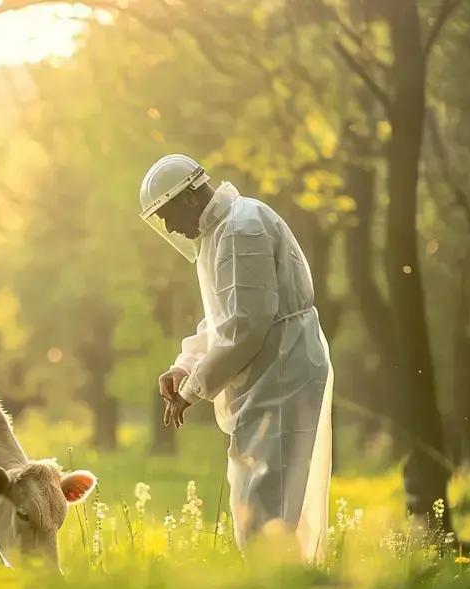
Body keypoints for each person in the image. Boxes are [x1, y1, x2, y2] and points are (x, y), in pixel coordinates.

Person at [139, 154, 334, 562]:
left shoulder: (241, 229)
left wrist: (191, 390)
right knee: (260, 502)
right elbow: (223, 318)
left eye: (168, 214)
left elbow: (246, 324)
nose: (170, 227)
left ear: (190, 199)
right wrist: (186, 364)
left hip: (284, 372)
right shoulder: (222, 232)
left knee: (268, 508)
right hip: (270, 373)